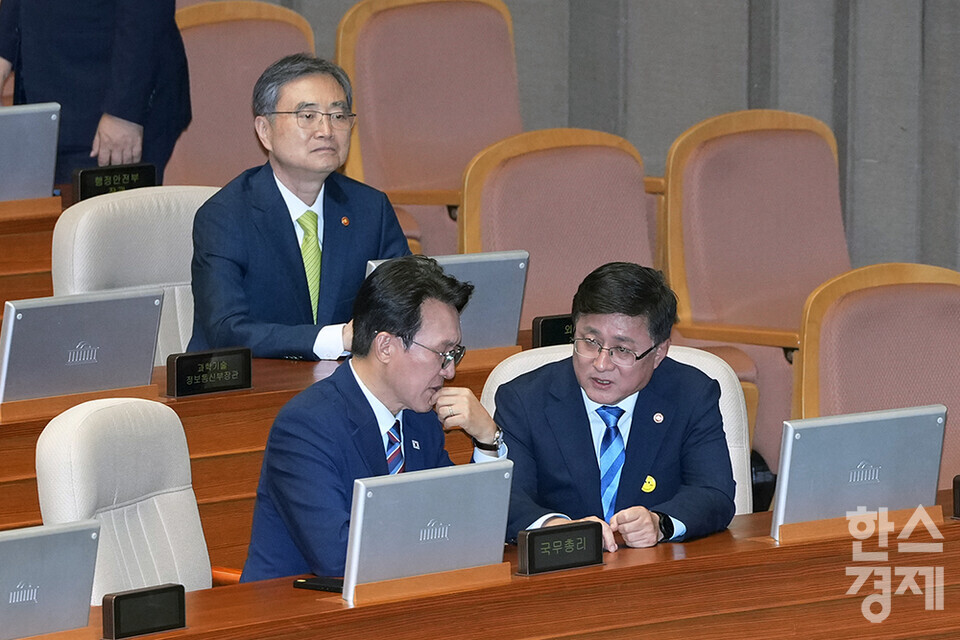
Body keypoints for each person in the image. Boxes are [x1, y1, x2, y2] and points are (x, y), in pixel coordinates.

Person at [241, 255, 505, 581]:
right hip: (298, 605)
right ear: (385, 347)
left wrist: (487, 441)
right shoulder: (304, 427)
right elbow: (338, 557)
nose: (450, 371)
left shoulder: (419, 417)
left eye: (455, 354)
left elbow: (470, 526)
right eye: (442, 353)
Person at [496, 262, 735, 550]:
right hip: (562, 567)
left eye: (622, 350)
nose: (601, 364)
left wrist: (660, 523)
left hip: (656, 567)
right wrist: (556, 528)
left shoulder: (691, 394)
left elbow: (714, 492)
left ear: (659, 352)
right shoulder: (524, 400)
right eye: (590, 342)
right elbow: (506, 499)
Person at [188, 54, 409, 360]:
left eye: (338, 116)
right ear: (264, 131)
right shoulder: (225, 217)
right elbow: (226, 329)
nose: (326, 130)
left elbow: (406, 306)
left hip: (342, 383)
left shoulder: (371, 209)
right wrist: (337, 338)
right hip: (250, 383)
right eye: (308, 116)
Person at [0, 0, 190, 184]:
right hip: (48, 96)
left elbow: (146, 11)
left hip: (112, 105)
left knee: (100, 205)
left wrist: (124, 112)